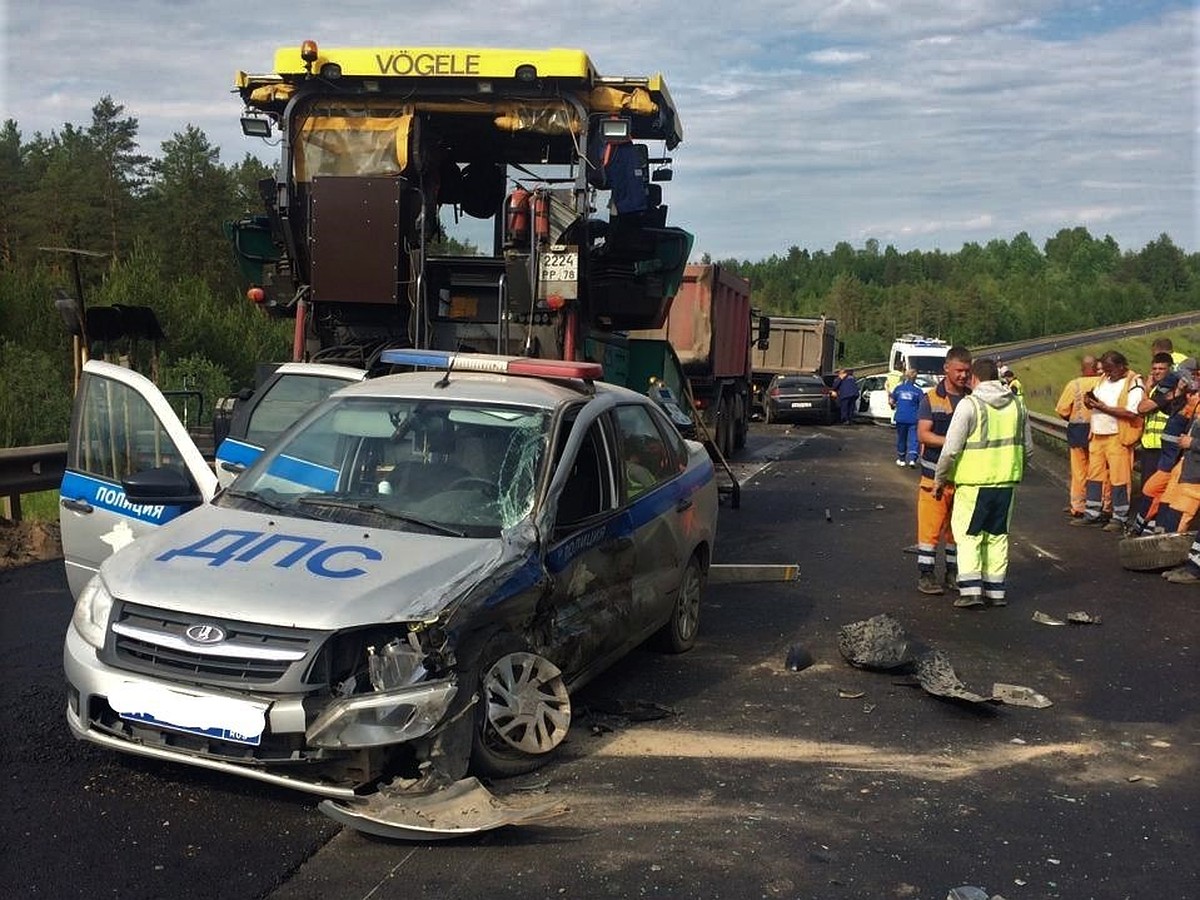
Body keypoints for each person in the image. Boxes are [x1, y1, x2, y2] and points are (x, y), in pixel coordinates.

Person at [933, 357, 1031, 608]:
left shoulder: (969, 405)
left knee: (969, 535)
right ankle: (995, 591)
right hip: (1006, 483)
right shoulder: (1018, 406)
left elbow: (951, 449)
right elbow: (1028, 449)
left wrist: (940, 479)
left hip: (974, 483)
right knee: (997, 536)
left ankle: (971, 591)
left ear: (974, 378)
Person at [914, 345, 972, 595]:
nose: (963, 376)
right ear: (946, 368)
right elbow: (924, 434)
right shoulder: (931, 398)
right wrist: (953, 441)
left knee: (956, 531)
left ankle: (953, 572)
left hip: (964, 477)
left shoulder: (972, 398)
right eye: (959, 370)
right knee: (929, 529)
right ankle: (926, 575)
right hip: (933, 477)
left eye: (967, 371)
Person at [1070, 350, 1145, 532]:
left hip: (1117, 437)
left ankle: (1119, 517)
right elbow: (1097, 401)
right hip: (1097, 434)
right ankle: (1092, 513)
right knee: (1094, 477)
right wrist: (1090, 402)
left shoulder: (1133, 382)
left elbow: (1131, 412)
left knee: (1120, 479)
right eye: (1105, 370)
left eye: (1110, 370)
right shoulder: (1104, 379)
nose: (1107, 373)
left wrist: (1103, 408)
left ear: (1121, 366)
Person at [1055, 355, 1102, 518]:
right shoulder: (1103, 383)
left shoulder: (1074, 384)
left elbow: (1062, 409)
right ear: (1097, 367)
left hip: (1077, 431)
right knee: (1098, 470)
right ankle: (1098, 504)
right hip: (1098, 431)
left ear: (1082, 368)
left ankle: (1078, 506)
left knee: (1079, 471)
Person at [890, 369, 924, 467]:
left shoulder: (898, 388)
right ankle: (912, 459)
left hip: (900, 417)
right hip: (913, 418)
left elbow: (892, 401)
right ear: (915, 378)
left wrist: (893, 405)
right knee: (914, 438)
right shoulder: (918, 391)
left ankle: (901, 459)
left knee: (901, 438)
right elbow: (922, 405)